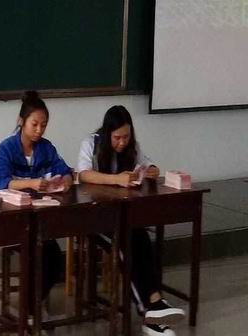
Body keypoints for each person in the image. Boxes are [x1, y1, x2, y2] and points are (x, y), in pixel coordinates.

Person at [77, 105, 185, 336]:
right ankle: (148, 312)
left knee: (142, 239)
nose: (122, 143)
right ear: (107, 133)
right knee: (126, 245)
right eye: (117, 138)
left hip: (125, 216)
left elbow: (147, 164)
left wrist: (152, 170)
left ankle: (155, 302)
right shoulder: (91, 144)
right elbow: (83, 174)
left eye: (126, 137)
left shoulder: (132, 147)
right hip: (97, 219)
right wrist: (116, 179)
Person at [0, 90, 73, 314]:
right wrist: (31, 183)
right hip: (13, 220)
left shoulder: (46, 148)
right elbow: (1, 183)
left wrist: (65, 181)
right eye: (34, 124)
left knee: (53, 258)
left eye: (43, 125)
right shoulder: (7, 148)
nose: (39, 130)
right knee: (36, 253)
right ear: (21, 121)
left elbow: (65, 171)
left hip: (41, 220)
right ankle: (29, 310)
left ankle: (32, 304)